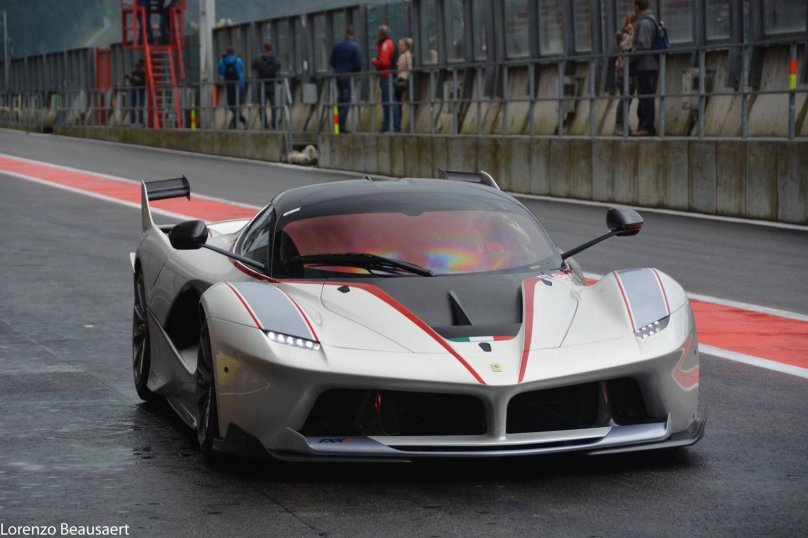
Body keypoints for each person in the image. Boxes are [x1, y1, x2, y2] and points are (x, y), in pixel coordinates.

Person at [632, 0, 659, 136]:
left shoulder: (645, 23)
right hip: (650, 64)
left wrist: (631, 54)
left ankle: (647, 126)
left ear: (637, 7)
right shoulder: (653, 20)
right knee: (645, 95)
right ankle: (643, 125)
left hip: (646, 65)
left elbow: (643, 46)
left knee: (646, 96)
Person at [329, 26, 362, 133]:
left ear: (345, 33)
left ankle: (336, 126)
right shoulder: (355, 47)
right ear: (353, 34)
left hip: (337, 75)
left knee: (339, 100)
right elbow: (358, 65)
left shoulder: (337, 46)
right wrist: (353, 71)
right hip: (348, 76)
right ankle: (341, 126)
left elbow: (331, 61)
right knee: (346, 101)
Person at [614, 13, 637, 135]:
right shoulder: (620, 34)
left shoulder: (632, 34)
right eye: (632, 23)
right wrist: (631, 34)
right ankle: (619, 125)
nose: (633, 26)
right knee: (624, 97)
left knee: (628, 99)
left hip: (631, 71)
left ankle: (623, 123)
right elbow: (624, 46)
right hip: (622, 71)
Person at [251, 42, 281, 129]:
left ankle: (264, 124)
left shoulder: (259, 58)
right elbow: (279, 66)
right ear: (271, 49)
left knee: (262, 105)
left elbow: (252, 66)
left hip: (261, 85)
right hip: (271, 84)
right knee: (273, 105)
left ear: (264, 48)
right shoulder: (274, 58)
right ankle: (274, 124)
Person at [372, 25, 396, 133]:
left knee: (389, 102)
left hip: (387, 76)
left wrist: (374, 61)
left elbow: (384, 62)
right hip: (388, 75)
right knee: (388, 102)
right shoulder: (388, 43)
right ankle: (389, 126)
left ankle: (390, 126)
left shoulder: (386, 45)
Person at [218, 48, 247, 129]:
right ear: (234, 53)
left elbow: (220, 72)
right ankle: (240, 119)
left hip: (229, 86)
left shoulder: (222, 61)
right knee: (239, 104)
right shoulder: (239, 60)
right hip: (240, 85)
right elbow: (241, 70)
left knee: (231, 105)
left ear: (227, 53)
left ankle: (236, 122)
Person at [393, 37, 413, 133]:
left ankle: (396, 125)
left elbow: (399, 68)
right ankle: (397, 124)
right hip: (405, 79)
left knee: (396, 102)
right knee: (398, 102)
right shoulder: (409, 55)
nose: (399, 47)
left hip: (401, 79)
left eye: (401, 45)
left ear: (406, 46)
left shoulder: (403, 56)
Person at [126, 59, 147, 125]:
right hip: (135, 90)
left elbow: (142, 81)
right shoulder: (135, 72)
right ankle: (133, 121)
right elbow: (129, 78)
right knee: (133, 106)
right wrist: (133, 78)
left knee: (140, 106)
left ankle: (139, 121)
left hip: (140, 90)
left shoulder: (144, 73)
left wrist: (133, 78)